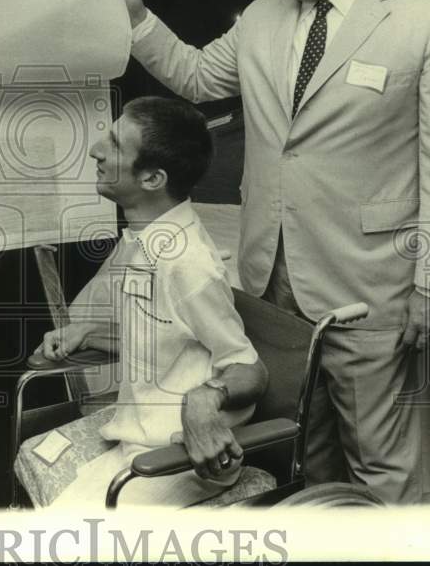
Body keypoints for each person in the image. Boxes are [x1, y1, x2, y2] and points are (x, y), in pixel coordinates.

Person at [112, 0, 430, 504]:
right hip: (275, 294)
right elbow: (200, 77)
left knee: (390, 474)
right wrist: (138, 18)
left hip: (378, 291)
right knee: (305, 462)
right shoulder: (262, 17)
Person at [33, 96, 268, 506]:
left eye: (116, 145)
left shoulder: (186, 261)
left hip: (177, 454)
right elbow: (161, 336)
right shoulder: (144, 240)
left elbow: (249, 368)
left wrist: (204, 398)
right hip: (136, 438)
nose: (96, 150)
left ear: (153, 180)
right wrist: (88, 331)